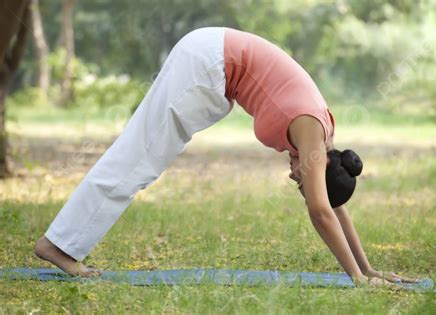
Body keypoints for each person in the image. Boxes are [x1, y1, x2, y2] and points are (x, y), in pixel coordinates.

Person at [35, 27, 416, 286]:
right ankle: (60, 246)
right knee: (139, 158)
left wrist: (369, 267)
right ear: (322, 165)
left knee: (141, 159)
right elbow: (321, 210)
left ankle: (63, 243)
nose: (293, 177)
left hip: (211, 64)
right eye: (301, 180)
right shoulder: (312, 133)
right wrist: (358, 279)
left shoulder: (321, 142)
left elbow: (332, 206)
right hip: (207, 64)